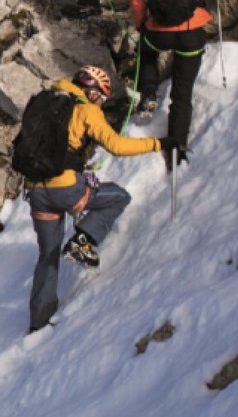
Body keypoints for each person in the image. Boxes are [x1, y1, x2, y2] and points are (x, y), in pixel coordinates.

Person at [26, 65, 169, 333]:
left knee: (48, 255)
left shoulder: (47, 102)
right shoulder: (86, 110)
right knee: (117, 197)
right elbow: (116, 145)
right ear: (93, 93)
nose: (100, 104)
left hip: (36, 191)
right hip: (65, 188)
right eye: (101, 99)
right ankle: (83, 241)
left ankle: (38, 325)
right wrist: (157, 144)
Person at [130, 0, 238, 164]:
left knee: (146, 51)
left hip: (158, 32)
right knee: (182, 94)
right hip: (191, 33)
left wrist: (141, 25)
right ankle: (176, 145)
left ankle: (148, 92)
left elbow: (138, 1)